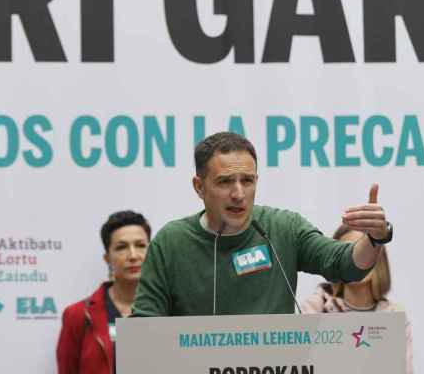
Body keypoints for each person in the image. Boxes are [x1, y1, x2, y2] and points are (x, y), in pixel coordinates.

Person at [131, 131, 393, 316]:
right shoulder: (171, 242)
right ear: (199, 187)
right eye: (225, 182)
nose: (238, 194)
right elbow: (145, 328)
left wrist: (375, 238)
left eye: (247, 180)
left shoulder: (282, 227)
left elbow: (344, 264)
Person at [301, 224, 415, 374]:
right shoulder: (314, 309)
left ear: (378, 258)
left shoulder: (396, 317)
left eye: (364, 251)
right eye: (349, 252)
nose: (357, 261)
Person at [57, 210, 152, 374]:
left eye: (140, 245)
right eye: (122, 247)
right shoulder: (78, 315)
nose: (133, 255)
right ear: (107, 258)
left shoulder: (170, 309)